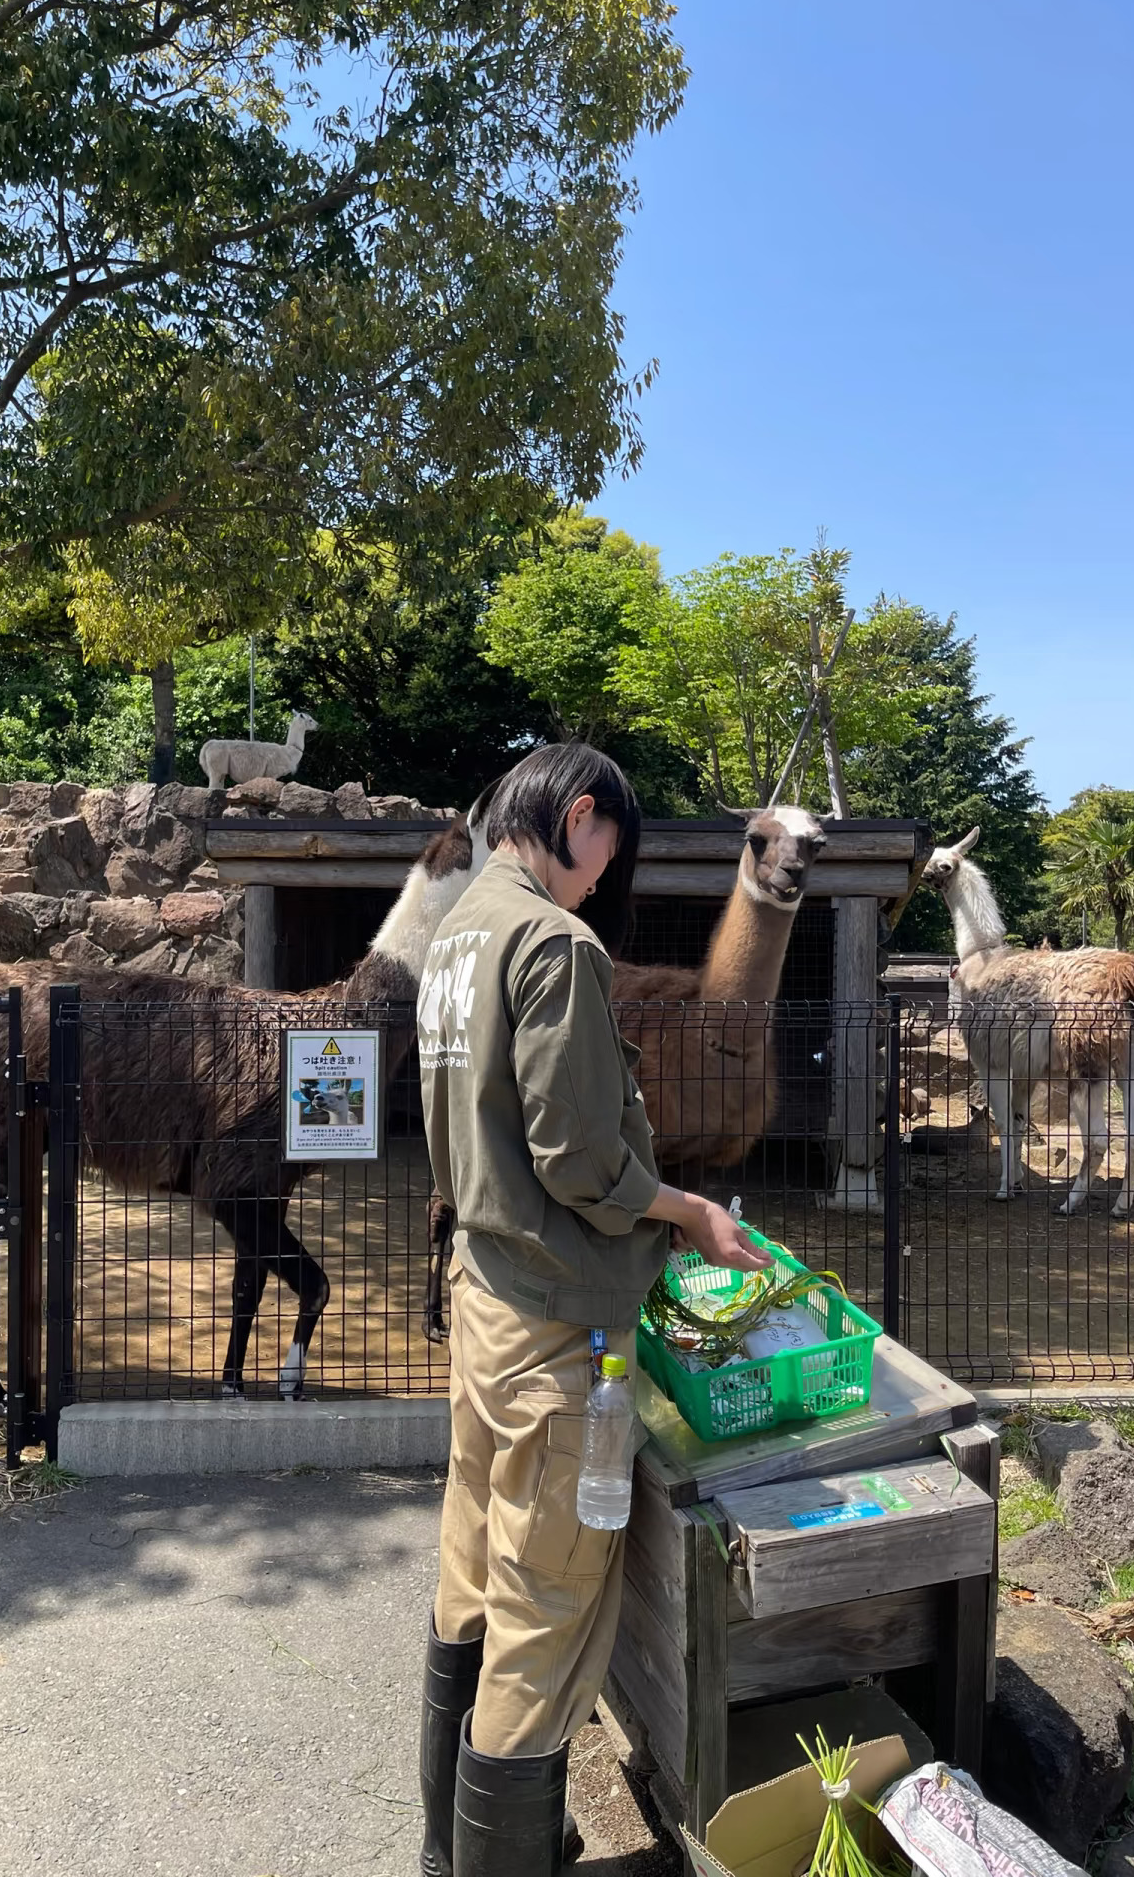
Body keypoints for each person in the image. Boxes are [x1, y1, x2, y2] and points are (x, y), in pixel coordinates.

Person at [416, 743, 769, 1877]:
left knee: (473, 1569)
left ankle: (450, 1846)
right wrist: (689, 1211)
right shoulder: (554, 944)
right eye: (611, 848)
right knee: (546, 1607)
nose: (606, 874)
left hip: (482, 1296)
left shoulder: (458, 933)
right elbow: (578, 1160)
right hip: (555, 1320)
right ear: (579, 817)